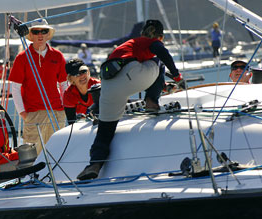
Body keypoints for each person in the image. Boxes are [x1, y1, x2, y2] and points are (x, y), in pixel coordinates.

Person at [77, 19, 186, 181]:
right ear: (160, 37)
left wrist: (162, 85)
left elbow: (139, 74)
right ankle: (151, 101)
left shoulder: (130, 44)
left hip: (108, 83)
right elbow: (162, 54)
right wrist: (177, 77)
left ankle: (94, 165)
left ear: (142, 32)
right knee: (159, 63)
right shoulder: (152, 42)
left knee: (105, 131)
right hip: (130, 73)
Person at [9, 19, 68, 155]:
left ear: (48, 34)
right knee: (33, 156)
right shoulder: (22, 58)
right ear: (31, 35)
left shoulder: (57, 56)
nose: (40, 35)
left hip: (56, 112)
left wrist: (65, 108)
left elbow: (64, 84)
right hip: (33, 113)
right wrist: (22, 112)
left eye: (44, 31)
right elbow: (15, 88)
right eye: (36, 32)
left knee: (57, 153)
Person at [63, 58, 101, 125]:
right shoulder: (68, 94)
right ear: (70, 78)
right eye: (76, 74)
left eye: (83, 71)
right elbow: (71, 123)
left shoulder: (99, 86)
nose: (82, 76)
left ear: (88, 72)